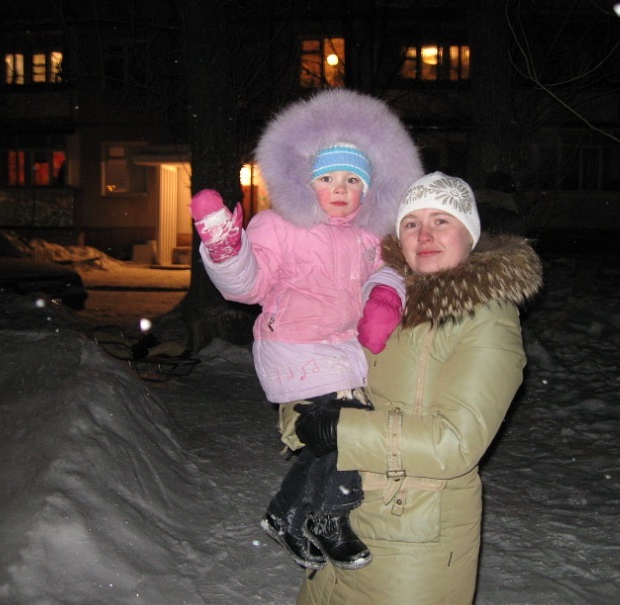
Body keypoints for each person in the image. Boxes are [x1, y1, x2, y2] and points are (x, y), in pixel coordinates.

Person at [189, 89, 423, 572]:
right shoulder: (279, 226)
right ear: (305, 181)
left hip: (345, 353)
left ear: (370, 189)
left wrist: (385, 295)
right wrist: (227, 252)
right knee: (347, 434)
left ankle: (287, 515)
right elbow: (249, 285)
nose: (340, 188)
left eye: (353, 179)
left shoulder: (371, 237)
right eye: (327, 177)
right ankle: (328, 518)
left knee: (332, 441)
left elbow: (388, 270)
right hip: (293, 346)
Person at [289, 172, 543, 604]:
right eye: (411, 223)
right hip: (336, 518)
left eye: (441, 221)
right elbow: (318, 369)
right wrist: (299, 414)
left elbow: (456, 442)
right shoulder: (379, 296)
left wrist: (338, 430)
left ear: (470, 234)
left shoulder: (488, 319)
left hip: (413, 545)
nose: (424, 235)